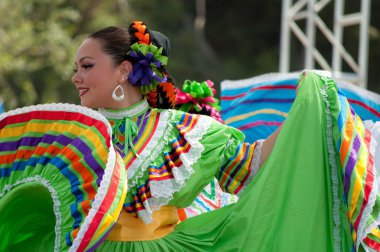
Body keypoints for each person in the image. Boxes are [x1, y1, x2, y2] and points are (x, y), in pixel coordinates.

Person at [0, 21, 379, 252]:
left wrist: (301, 116)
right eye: (75, 68)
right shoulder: (74, 137)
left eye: (86, 66)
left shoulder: (183, 130)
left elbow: (249, 165)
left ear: (123, 70)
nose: (75, 77)